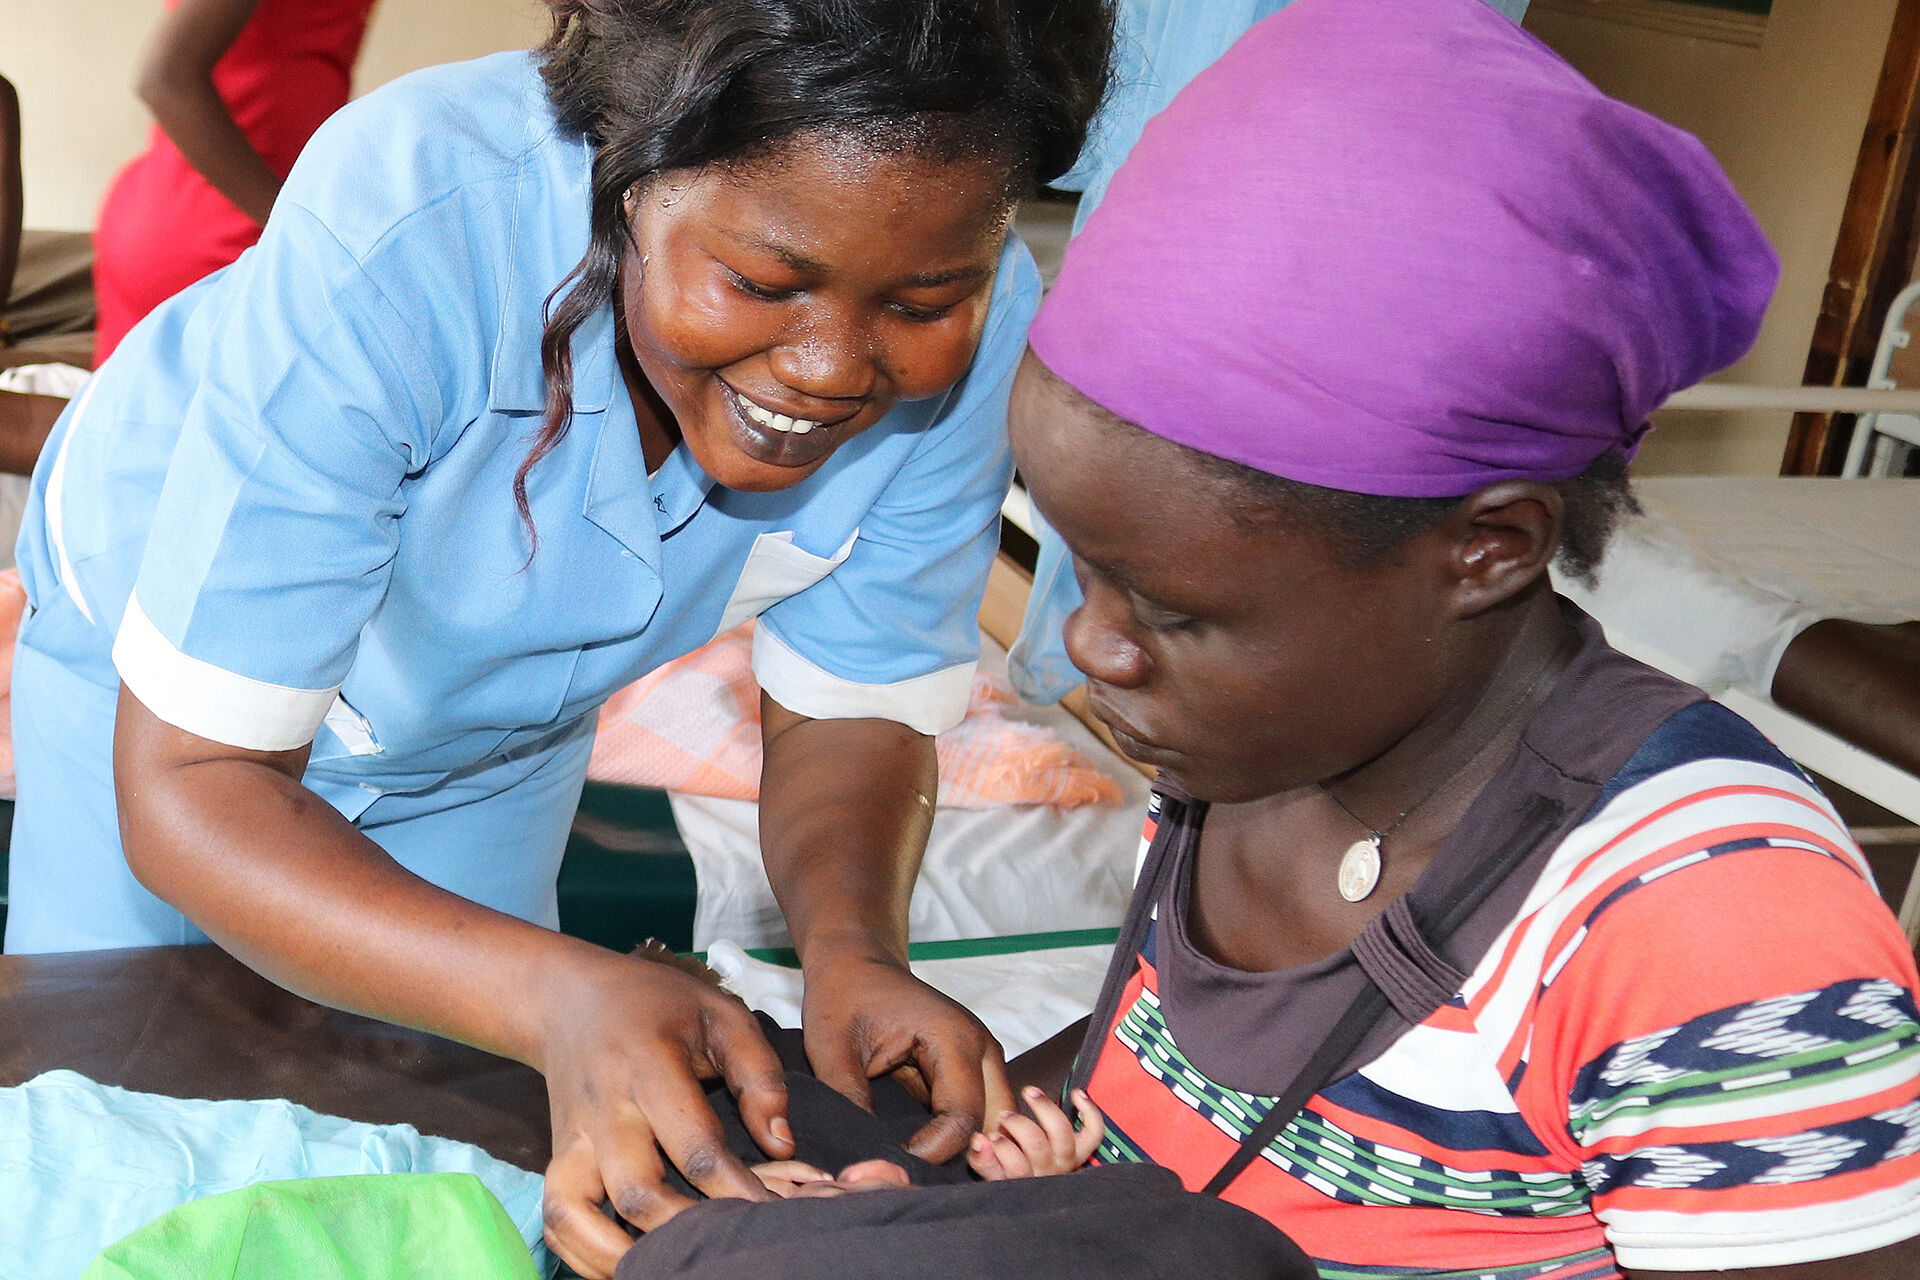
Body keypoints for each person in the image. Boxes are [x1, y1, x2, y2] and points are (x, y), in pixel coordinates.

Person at [4, 1, 1113, 1274]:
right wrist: (553, 988)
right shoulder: (413, 219)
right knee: (105, 1116)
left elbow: (859, 695)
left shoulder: (976, 328)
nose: (828, 367)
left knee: (459, 1116)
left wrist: (853, 948)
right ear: (629, 179)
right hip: (159, 698)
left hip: (495, 727)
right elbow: (197, 785)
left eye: (924, 297)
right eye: (761, 282)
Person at [997, 1, 1920, 1277]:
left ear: (1487, 547)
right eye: (1085, 569)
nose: (1095, 648)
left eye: (1169, 611)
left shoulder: (1705, 920)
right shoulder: (1259, 743)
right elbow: (1164, 1084)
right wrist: (969, 1131)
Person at [91, 0, 379, 362]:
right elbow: (165, 80)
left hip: (209, 223)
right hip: (219, 236)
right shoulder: (285, 234)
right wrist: (300, 228)